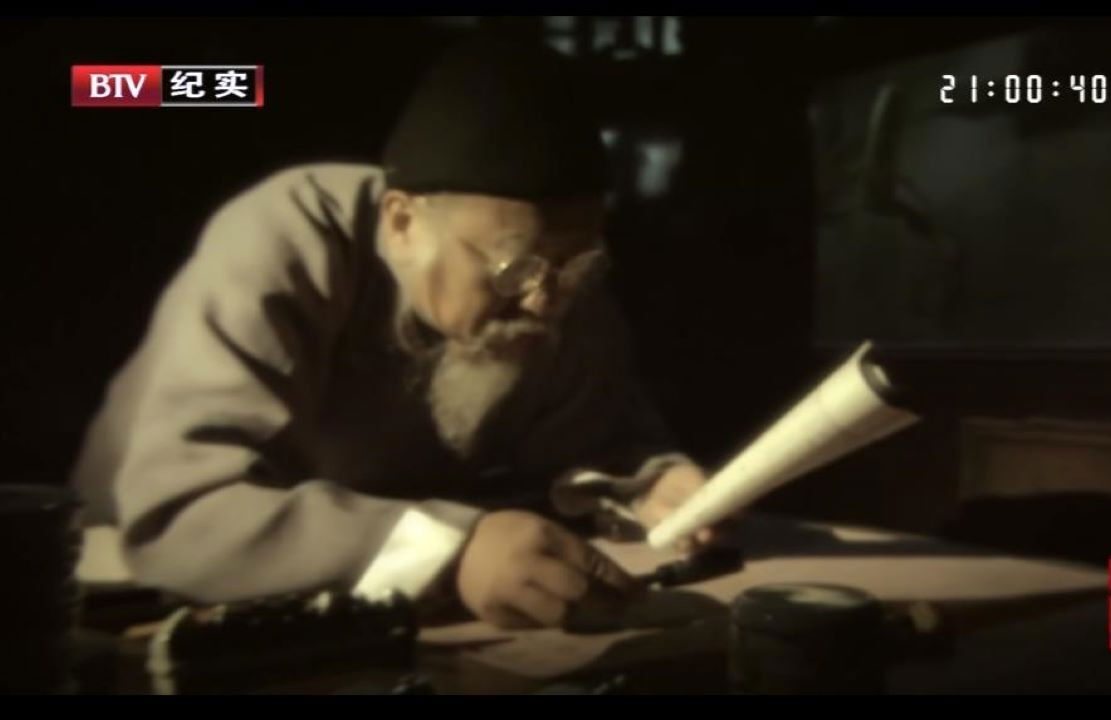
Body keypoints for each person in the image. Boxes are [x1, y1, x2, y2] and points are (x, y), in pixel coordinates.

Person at [70, 36, 718, 629]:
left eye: (574, 266)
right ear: (403, 223)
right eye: (512, 269)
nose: (545, 304)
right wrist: (452, 550)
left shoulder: (554, 277)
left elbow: (599, 439)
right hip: (120, 591)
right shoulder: (290, 239)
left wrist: (652, 487)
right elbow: (183, 515)